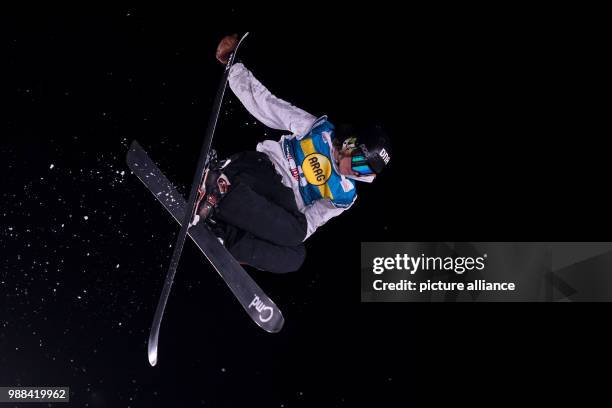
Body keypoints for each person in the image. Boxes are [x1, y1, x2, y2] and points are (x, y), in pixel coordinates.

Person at [192, 34, 392, 274]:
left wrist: (271, 240)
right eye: (359, 162)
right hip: (261, 171)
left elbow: (310, 223)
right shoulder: (320, 132)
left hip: (272, 207)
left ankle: (223, 234)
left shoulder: (344, 195)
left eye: (363, 171)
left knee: (296, 253)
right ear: (351, 144)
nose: (355, 171)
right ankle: (219, 186)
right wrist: (234, 67)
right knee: (290, 227)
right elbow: (268, 105)